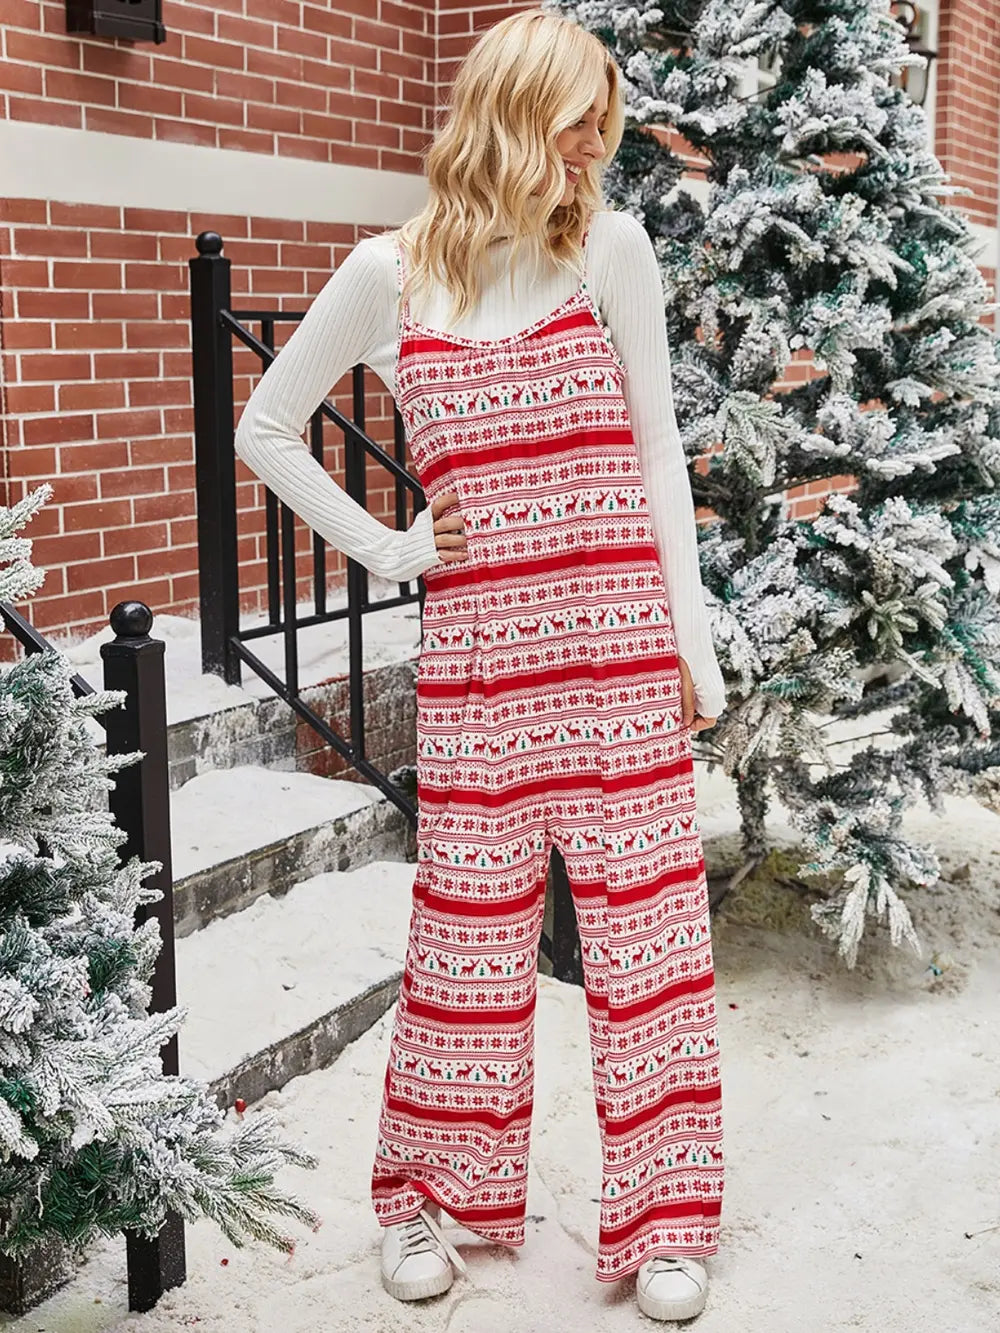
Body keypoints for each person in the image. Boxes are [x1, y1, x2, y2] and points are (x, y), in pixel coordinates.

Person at [234, 9, 727, 1323]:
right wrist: (391, 546)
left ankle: (670, 1213)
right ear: (510, 111)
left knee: (650, 947)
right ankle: (431, 1200)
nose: (595, 143)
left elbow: (663, 455)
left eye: (603, 123)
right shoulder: (388, 277)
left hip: (621, 659)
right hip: (479, 674)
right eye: (575, 118)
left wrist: (692, 639)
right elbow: (267, 424)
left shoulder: (612, 251)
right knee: (466, 953)